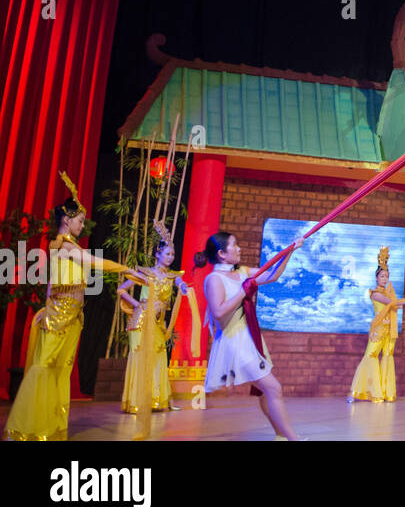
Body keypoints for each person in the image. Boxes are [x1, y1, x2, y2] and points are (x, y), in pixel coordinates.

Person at [4, 174, 146, 441]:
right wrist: (125, 268)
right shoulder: (64, 245)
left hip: (72, 317)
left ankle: (50, 427)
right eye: (80, 221)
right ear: (66, 220)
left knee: (60, 370)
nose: (83, 225)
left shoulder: (70, 247)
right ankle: (24, 428)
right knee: (44, 367)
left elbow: (51, 283)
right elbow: (92, 261)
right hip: (59, 316)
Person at [197, 231, 304, 440]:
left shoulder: (242, 271)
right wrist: (242, 291)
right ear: (221, 253)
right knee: (273, 388)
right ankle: (292, 438)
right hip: (234, 343)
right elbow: (218, 311)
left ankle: (282, 436)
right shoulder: (214, 279)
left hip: (250, 340)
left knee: (265, 391)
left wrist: (290, 250)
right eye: (234, 245)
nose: (239, 249)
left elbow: (272, 275)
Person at [118, 227, 191, 413]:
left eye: (173, 254)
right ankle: (136, 402)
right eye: (167, 253)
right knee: (141, 357)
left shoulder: (171, 276)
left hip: (158, 323)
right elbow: (121, 290)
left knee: (158, 357)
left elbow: (179, 282)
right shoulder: (146, 273)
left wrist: (183, 287)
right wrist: (138, 305)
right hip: (141, 321)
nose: (171, 257)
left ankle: (155, 401)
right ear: (158, 254)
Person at [349, 247, 405, 402]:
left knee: (388, 356)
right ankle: (356, 392)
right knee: (370, 355)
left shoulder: (388, 293)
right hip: (378, 329)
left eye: (387, 276)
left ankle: (385, 393)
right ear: (376, 278)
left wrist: (402, 302)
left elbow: (397, 305)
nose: (384, 279)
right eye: (382, 276)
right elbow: (393, 304)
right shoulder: (375, 294)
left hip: (390, 330)